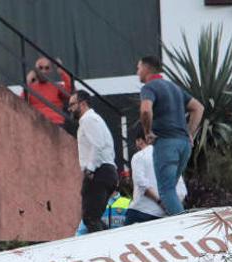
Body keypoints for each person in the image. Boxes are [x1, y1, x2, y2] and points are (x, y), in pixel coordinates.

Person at [137, 55, 204, 216]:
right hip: (184, 145)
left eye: (138, 68)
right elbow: (198, 108)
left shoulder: (149, 87)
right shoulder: (175, 88)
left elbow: (145, 110)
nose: (137, 72)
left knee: (166, 190)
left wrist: (147, 132)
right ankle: (178, 221)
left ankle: (183, 225)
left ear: (146, 68)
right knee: (170, 190)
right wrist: (190, 133)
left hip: (166, 143)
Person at [69, 90, 118, 234]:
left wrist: (90, 169)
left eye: (72, 104)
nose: (70, 109)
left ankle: (109, 244)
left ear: (83, 104)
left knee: (90, 218)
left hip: (99, 171)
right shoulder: (93, 120)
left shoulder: (88, 119)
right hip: (106, 171)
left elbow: (98, 145)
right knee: (92, 217)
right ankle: (110, 240)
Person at [126, 126, 187, 225]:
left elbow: (141, 183)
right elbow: (182, 191)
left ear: (140, 140)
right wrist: (168, 205)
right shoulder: (170, 158)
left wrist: (159, 201)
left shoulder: (139, 156)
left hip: (141, 211)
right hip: (164, 216)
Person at [21, 56, 73, 126]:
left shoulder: (57, 86)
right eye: (40, 68)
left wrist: (62, 72)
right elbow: (21, 103)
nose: (44, 71)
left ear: (50, 71)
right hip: (37, 123)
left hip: (56, 123)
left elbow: (71, 94)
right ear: (35, 71)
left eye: (47, 68)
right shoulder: (30, 87)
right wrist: (27, 82)